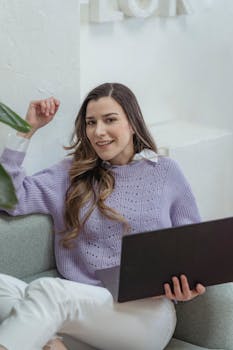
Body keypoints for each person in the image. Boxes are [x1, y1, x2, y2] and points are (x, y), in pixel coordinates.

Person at [0, 83, 205, 350]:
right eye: (91, 122)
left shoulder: (166, 172)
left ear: (132, 123)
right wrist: (26, 129)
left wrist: (188, 287)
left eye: (110, 120)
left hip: (146, 316)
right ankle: (51, 344)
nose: (98, 132)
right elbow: (7, 199)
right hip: (83, 314)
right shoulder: (71, 174)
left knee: (48, 291)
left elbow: (195, 250)